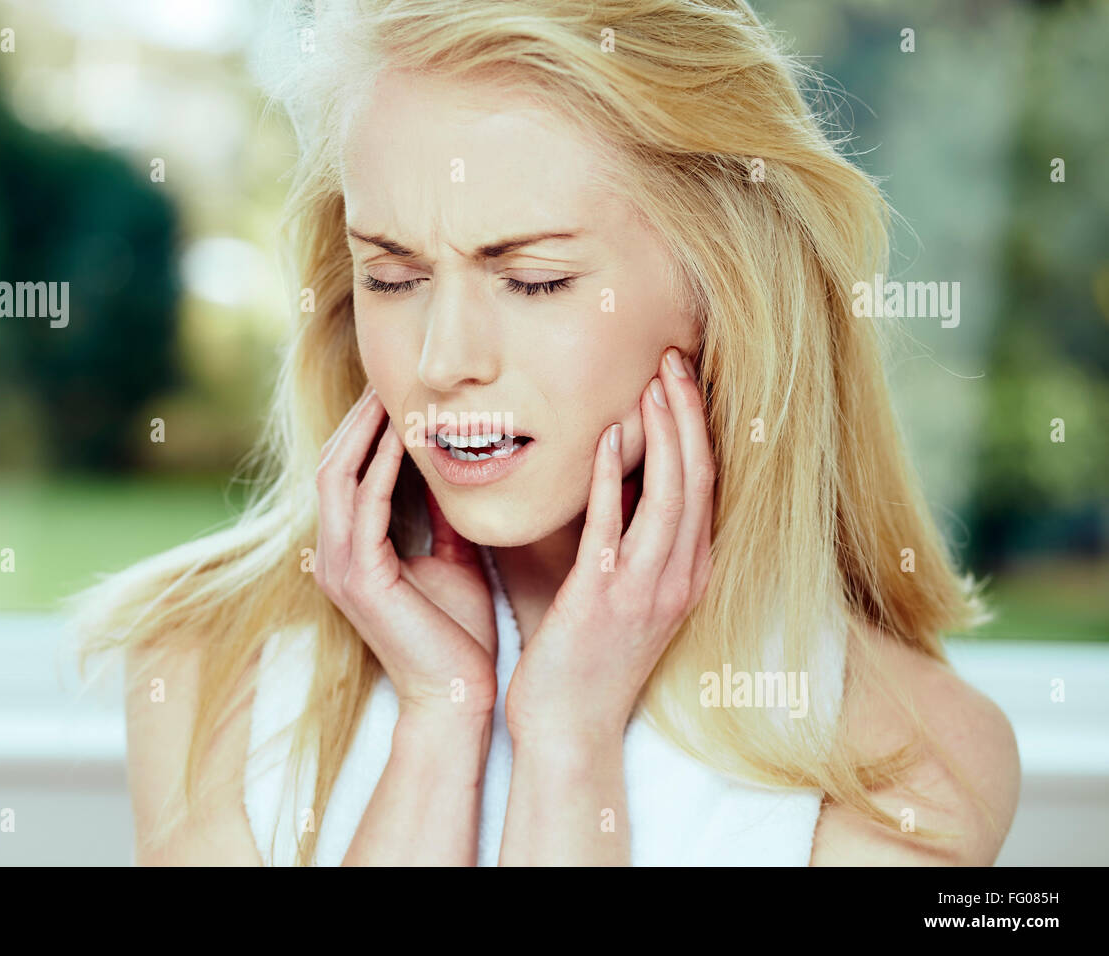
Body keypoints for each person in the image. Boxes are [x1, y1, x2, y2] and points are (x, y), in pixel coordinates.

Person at [69, 0, 1020, 866]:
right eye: (393, 278)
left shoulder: (913, 758)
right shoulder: (205, 666)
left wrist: (568, 744)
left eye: (533, 280)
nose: (442, 361)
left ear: (723, 291)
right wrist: (441, 724)